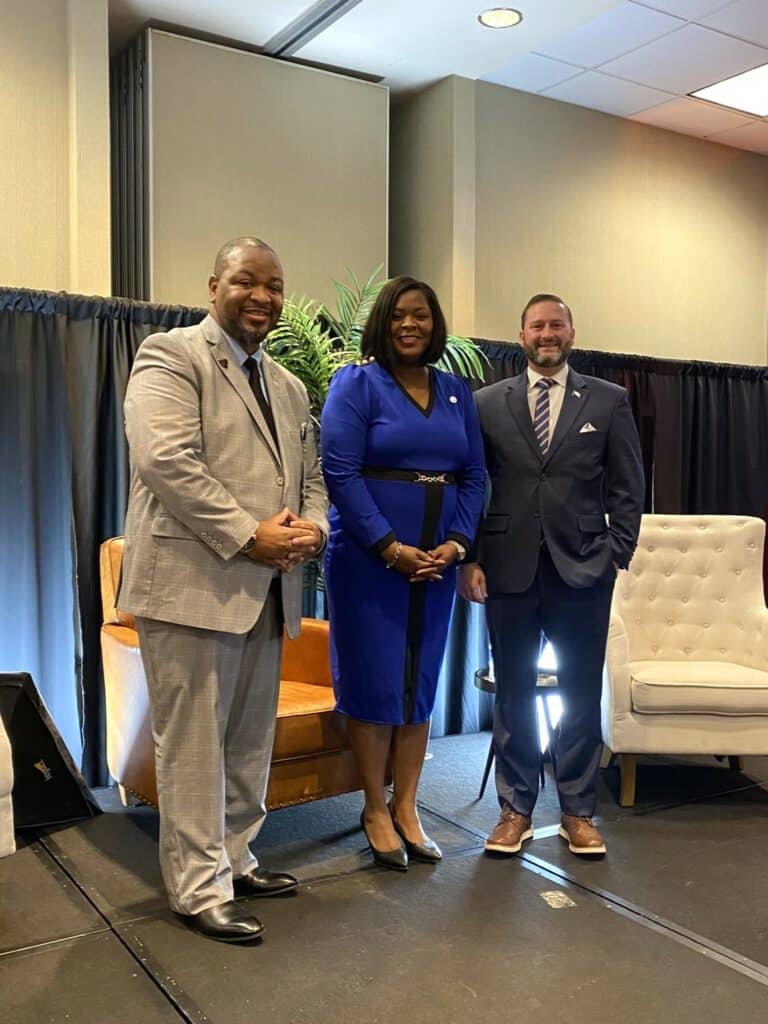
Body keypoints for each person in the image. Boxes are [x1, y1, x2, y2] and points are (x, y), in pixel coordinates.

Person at [119, 237, 328, 942]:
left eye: (274, 285)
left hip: (268, 591)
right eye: (247, 281)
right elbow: (164, 460)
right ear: (214, 285)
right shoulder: (170, 355)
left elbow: (312, 480)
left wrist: (316, 532)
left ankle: (236, 859)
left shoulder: (289, 386)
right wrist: (251, 535)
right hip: (190, 585)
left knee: (245, 742)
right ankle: (197, 887)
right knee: (194, 747)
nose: (263, 297)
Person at [459, 294, 644, 857]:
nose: (547, 333)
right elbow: (471, 484)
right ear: (521, 336)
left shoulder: (609, 401)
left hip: (584, 569)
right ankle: (515, 810)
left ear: (571, 332)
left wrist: (618, 552)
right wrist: (468, 557)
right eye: (537, 325)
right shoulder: (487, 403)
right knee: (514, 692)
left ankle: (578, 813)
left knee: (581, 693)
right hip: (507, 568)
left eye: (556, 324)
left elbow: (629, 486)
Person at [321, 276, 485, 870]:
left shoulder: (455, 392)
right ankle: (372, 807)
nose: (409, 325)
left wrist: (458, 542)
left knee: (418, 683)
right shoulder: (356, 384)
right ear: (382, 324)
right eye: (397, 316)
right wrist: (389, 547)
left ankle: (408, 805)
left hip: (437, 563)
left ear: (435, 324)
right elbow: (340, 473)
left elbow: (474, 475)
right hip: (370, 561)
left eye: (419, 315)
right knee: (375, 683)